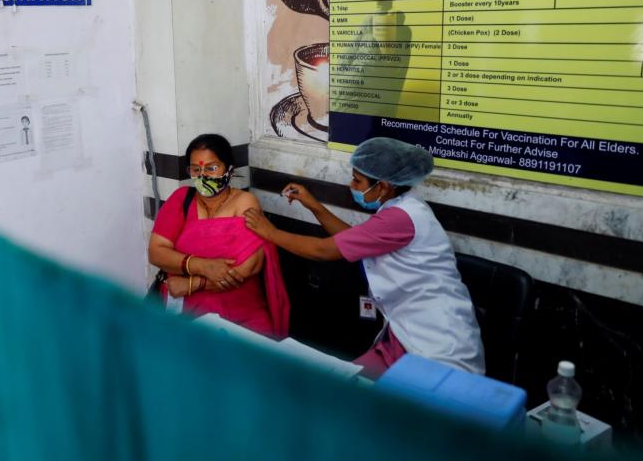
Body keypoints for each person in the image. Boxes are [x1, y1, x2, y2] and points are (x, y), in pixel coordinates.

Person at [244, 137, 483, 377]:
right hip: (404, 334)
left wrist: (270, 232)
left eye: (358, 181)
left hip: (438, 344)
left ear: (383, 186)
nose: (352, 186)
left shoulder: (400, 217)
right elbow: (351, 240)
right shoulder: (400, 207)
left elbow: (322, 250)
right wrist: (313, 205)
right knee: (347, 388)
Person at [148, 134, 289, 338]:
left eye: (212, 168)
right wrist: (203, 266)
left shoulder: (244, 202)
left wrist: (193, 284)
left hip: (242, 315)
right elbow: (157, 252)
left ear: (229, 170)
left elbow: (249, 265)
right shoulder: (182, 200)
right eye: (196, 169)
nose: (203, 175)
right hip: (187, 316)